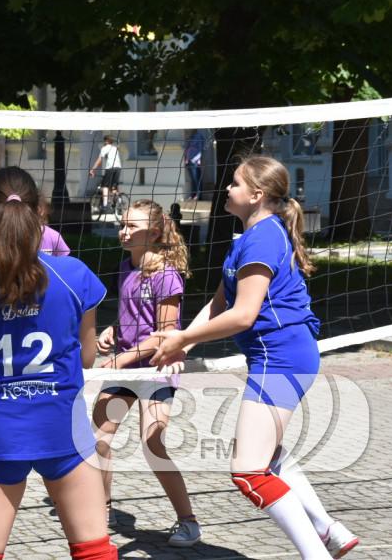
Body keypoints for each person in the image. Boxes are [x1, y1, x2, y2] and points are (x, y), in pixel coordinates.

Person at [151, 156, 359, 559]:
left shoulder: (263, 237)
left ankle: (316, 553)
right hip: (280, 356)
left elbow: (243, 314)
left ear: (256, 195)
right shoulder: (250, 236)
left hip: (282, 358)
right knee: (268, 456)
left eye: (234, 184)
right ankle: (329, 530)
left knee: (248, 471)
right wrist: (184, 341)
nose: (226, 189)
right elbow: (219, 303)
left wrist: (182, 338)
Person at [0, 166, 117, 560]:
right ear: (42, 212)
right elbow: (87, 357)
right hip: (62, 429)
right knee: (95, 552)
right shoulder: (74, 275)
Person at [92, 199, 199, 546]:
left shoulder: (166, 275)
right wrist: (112, 331)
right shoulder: (126, 266)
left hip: (154, 370)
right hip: (126, 366)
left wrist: (121, 360)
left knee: (153, 444)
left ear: (153, 233)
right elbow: (133, 319)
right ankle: (100, 512)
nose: (123, 232)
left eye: (131, 227)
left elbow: (164, 334)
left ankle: (188, 521)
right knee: (97, 441)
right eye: (121, 225)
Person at [88, 135, 122, 211]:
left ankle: (105, 204)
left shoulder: (105, 148)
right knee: (114, 186)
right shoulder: (115, 148)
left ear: (106, 141)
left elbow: (99, 160)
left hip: (110, 168)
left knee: (105, 186)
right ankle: (119, 201)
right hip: (118, 168)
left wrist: (93, 169)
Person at [183, 130, 205, 200]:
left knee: (196, 179)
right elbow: (188, 148)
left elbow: (200, 149)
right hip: (190, 160)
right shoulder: (192, 135)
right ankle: (193, 194)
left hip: (194, 160)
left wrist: (196, 159)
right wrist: (187, 159)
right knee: (193, 179)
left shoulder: (198, 136)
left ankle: (198, 195)